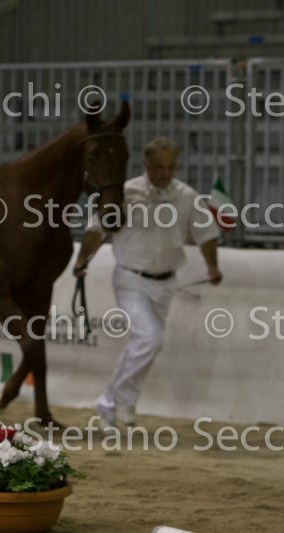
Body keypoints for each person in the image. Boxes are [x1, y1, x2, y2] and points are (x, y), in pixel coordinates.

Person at [74, 137, 224, 428]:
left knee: (146, 344)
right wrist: (82, 260)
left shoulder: (186, 196)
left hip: (167, 282)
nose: (166, 173)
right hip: (131, 279)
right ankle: (110, 400)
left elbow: (206, 233)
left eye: (170, 167)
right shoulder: (125, 193)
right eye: (159, 167)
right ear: (146, 165)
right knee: (150, 338)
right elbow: (96, 229)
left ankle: (122, 401)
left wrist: (212, 265)